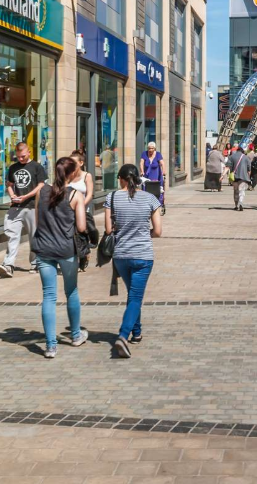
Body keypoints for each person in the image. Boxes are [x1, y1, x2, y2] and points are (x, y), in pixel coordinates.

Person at [33, 157, 89, 359]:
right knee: (71, 290)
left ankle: (50, 346)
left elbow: (38, 221)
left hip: (44, 249)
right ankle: (75, 335)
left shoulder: (42, 191)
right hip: (66, 250)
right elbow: (82, 227)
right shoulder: (75, 195)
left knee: (48, 295)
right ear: (73, 174)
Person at [105, 164, 162, 358]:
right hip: (143, 255)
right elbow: (158, 231)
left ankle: (136, 332)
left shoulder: (111, 198)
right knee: (136, 297)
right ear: (138, 179)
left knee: (133, 295)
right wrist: (144, 235)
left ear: (120, 179)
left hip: (121, 256)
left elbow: (107, 230)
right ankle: (123, 335)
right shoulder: (150, 199)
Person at [0, 142, 47, 278]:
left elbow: (41, 185)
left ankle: (35, 262)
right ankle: (8, 265)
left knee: (34, 236)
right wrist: (12, 195)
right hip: (16, 207)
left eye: (23, 156)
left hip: (32, 206)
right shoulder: (13, 168)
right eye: (18, 157)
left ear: (29, 152)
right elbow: (10, 185)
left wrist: (27, 195)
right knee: (12, 235)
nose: (20, 159)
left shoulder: (37, 167)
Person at [140, 142, 166, 214]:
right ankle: (147, 206)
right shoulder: (144, 154)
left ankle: (158, 206)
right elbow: (141, 163)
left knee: (157, 191)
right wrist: (142, 171)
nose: (150, 150)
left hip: (156, 175)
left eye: (152, 148)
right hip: (147, 176)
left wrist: (164, 171)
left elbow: (162, 163)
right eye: (149, 148)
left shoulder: (158, 154)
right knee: (146, 191)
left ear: (154, 148)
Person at [230, 145, 252, 211]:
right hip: (243, 177)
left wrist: (223, 175)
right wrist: (248, 177)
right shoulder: (246, 157)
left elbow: (228, 166)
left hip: (235, 177)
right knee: (242, 191)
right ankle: (241, 203)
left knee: (236, 191)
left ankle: (236, 205)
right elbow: (249, 169)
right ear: (242, 151)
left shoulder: (232, 157)